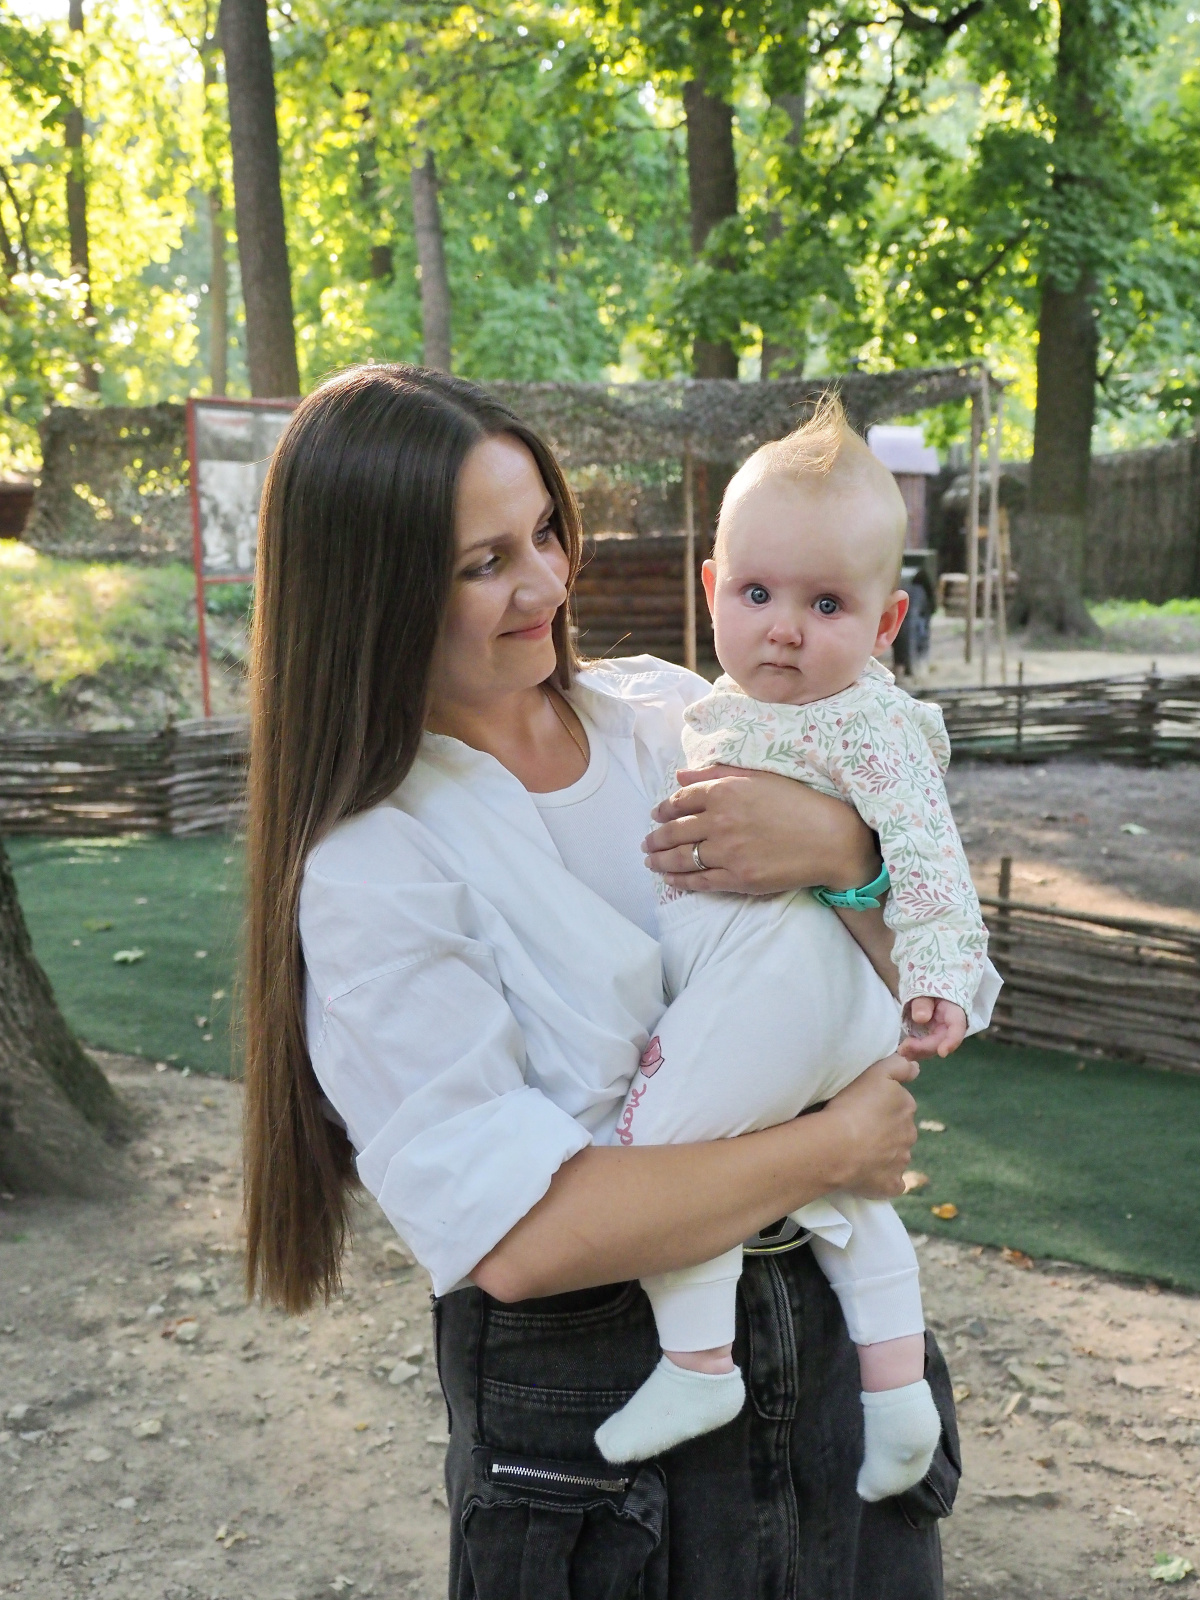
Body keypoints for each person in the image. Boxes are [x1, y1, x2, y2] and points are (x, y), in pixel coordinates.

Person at [241, 363, 993, 1600]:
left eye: (545, 530)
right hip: (596, 1421)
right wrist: (830, 1147)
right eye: (483, 562)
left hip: (829, 1349)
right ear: (371, 589)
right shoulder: (376, 863)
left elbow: (944, 988)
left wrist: (848, 857)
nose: (545, 583)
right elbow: (521, 1237)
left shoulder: (675, 717)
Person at [593, 397, 991, 1501]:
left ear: (886, 620)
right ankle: (898, 1397)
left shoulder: (865, 719)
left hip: (787, 988)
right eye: (758, 594)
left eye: (826, 604)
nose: (784, 629)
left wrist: (939, 980)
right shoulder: (720, 705)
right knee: (848, 1198)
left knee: (662, 1151)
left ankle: (697, 1362)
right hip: (805, 1001)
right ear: (711, 589)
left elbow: (933, 861)